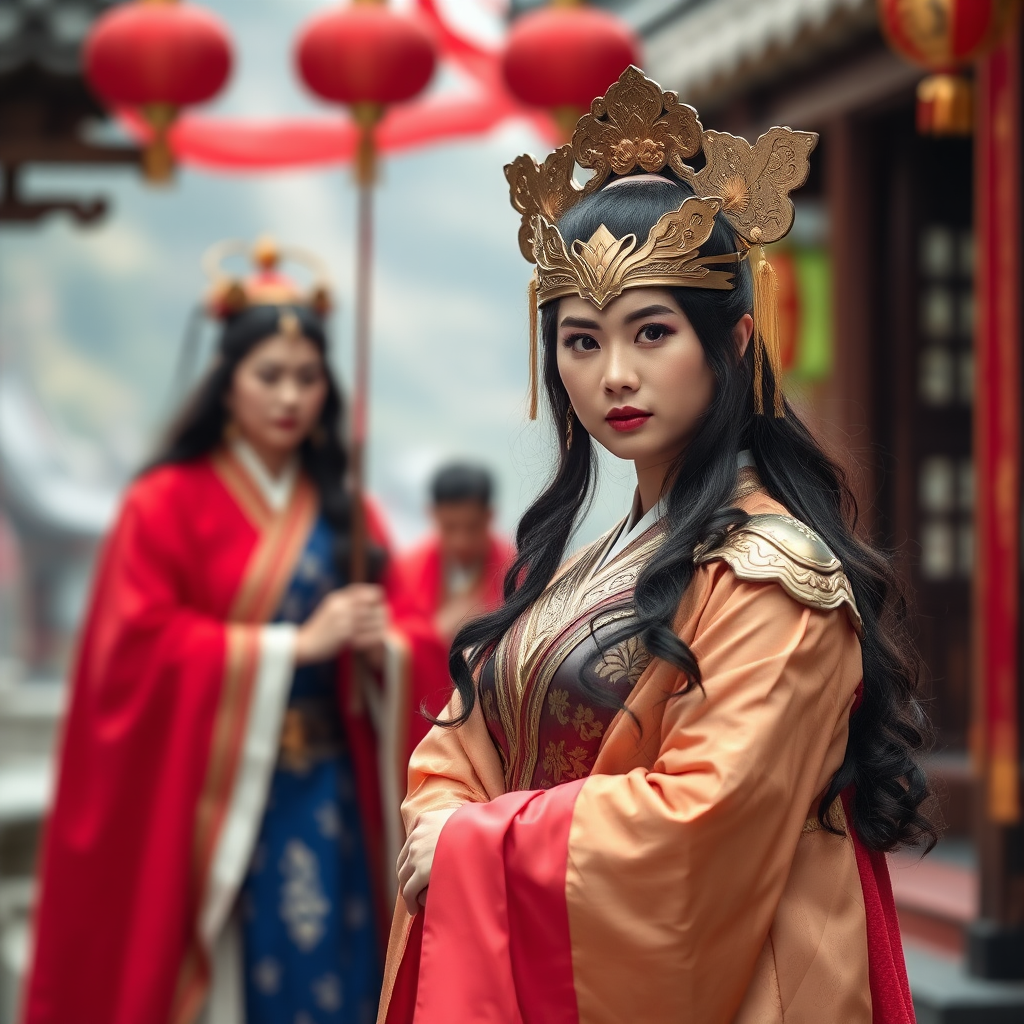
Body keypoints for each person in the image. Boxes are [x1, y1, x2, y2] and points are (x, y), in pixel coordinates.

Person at [376, 68, 934, 1024]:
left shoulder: (776, 576)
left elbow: (700, 830)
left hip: (743, 984)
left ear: (735, 344)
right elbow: (463, 742)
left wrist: (476, 849)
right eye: (582, 341)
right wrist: (444, 819)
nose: (615, 375)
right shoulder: (606, 556)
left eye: (652, 332)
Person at [22, 242, 445, 1024]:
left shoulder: (350, 514)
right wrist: (293, 646)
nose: (290, 397)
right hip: (215, 796)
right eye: (269, 376)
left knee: (341, 969)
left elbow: (408, 633)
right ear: (227, 386)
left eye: (308, 378)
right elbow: (135, 649)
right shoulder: (162, 505)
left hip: (336, 786)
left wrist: (385, 647)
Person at [396, 462, 514, 646]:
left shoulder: (517, 569)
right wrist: (434, 632)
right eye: (449, 527)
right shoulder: (406, 570)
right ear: (432, 514)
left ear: (489, 516)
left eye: (472, 527)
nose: (461, 541)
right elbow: (394, 642)